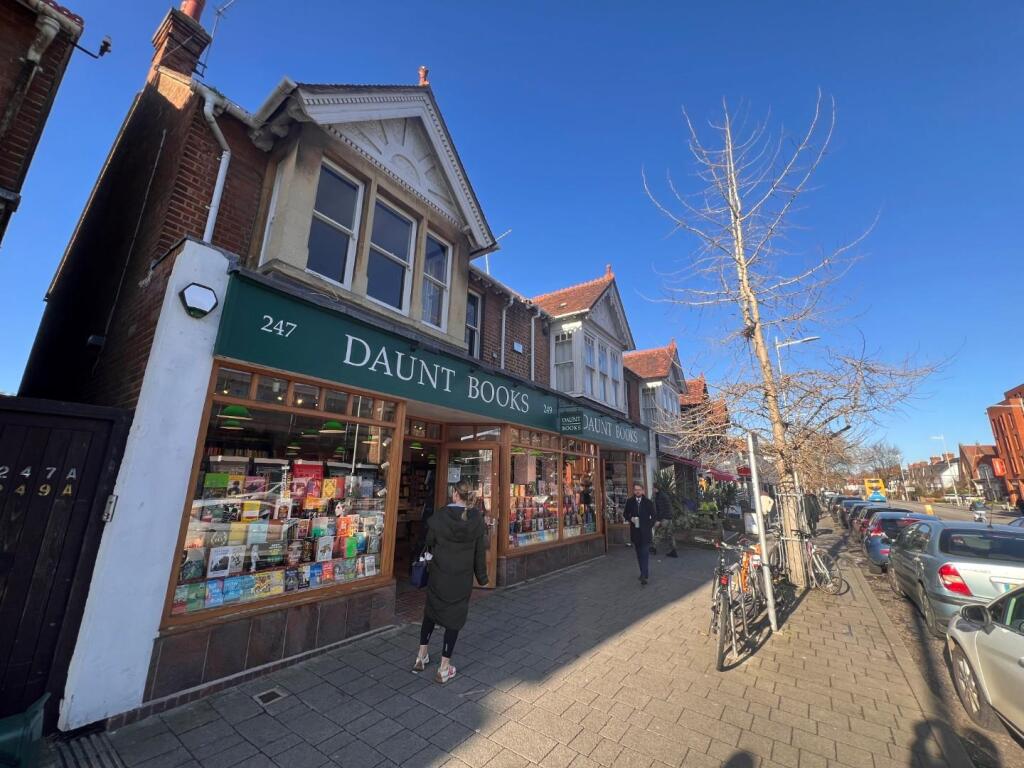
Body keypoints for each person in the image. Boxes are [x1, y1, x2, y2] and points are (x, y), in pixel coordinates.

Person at [414, 480, 488, 684]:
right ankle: (444, 668)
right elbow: (480, 553)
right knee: (453, 621)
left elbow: (428, 542)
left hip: (439, 575)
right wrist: (482, 577)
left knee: (430, 613)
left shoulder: (440, 517)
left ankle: (421, 655)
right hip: (461, 579)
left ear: (455, 494)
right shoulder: (476, 520)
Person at [624, 482, 656, 584]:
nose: (637, 491)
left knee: (644, 553)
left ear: (643, 491)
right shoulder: (630, 502)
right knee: (638, 554)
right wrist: (630, 518)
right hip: (635, 532)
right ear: (633, 491)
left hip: (645, 533)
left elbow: (654, 516)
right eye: (635, 490)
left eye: (639, 490)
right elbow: (625, 513)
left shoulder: (648, 502)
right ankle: (644, 573)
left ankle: (643, 575)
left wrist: (648, 526)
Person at [651, 487, 678, 558]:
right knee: (670, 535)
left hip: (664, 518)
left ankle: (653, 548)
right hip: (669, 518)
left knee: (659, 533)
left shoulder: (659, 497)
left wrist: (658, 520)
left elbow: (661, 510)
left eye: (653, 489)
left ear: (655, 488)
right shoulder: (664, 495)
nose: (652, 490)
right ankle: (673, 551)